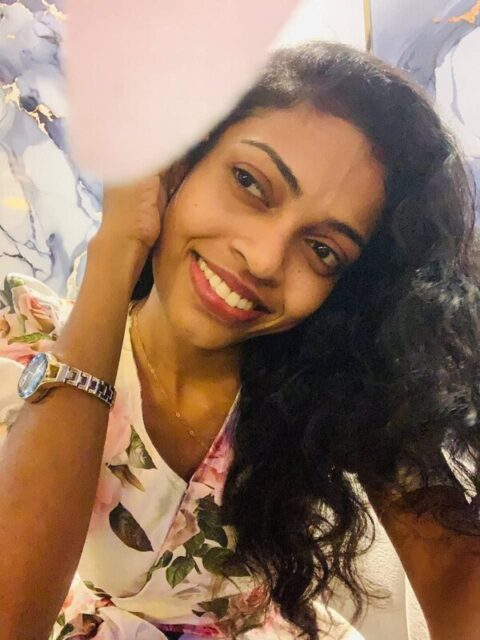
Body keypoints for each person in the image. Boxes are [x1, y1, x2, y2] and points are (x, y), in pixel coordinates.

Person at [0, 41, 479, 640]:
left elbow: (459, 576)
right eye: (250, 182)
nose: (264, 258)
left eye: (323, 249)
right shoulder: (24, 336)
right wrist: (118, 245)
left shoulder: (335, 393)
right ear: (182, 162)